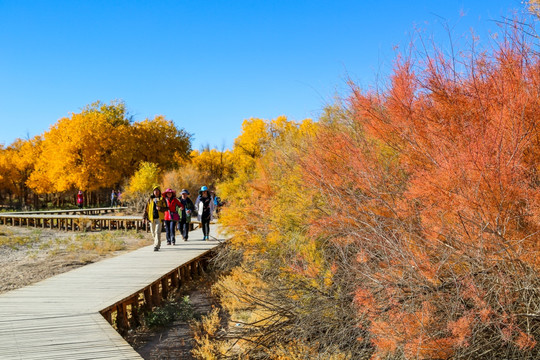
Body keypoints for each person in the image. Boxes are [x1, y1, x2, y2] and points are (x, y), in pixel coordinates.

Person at [143, 186, 167, 251]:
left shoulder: (162, 199)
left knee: (157, 232)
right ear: (153, 192)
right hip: (151, 218)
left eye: (157, 190)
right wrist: (144, 217)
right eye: (155, 191)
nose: (156, 192)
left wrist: (160, 208)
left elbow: (166, 208)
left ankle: (156, 246)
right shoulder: (150, 199)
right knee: (153, 232)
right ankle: (157, 243)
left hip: (159, 218)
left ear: (159, 192)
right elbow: (146, 209)